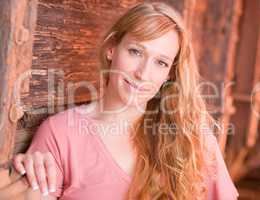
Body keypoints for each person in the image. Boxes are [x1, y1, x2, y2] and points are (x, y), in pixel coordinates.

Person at [12, 2, 239, 200]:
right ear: (112, 49)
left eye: (160, 62)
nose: (143, 73)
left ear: (170, 73)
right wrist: (18, 185)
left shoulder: (192, 137)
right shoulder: (60, 134)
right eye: (135, 52)